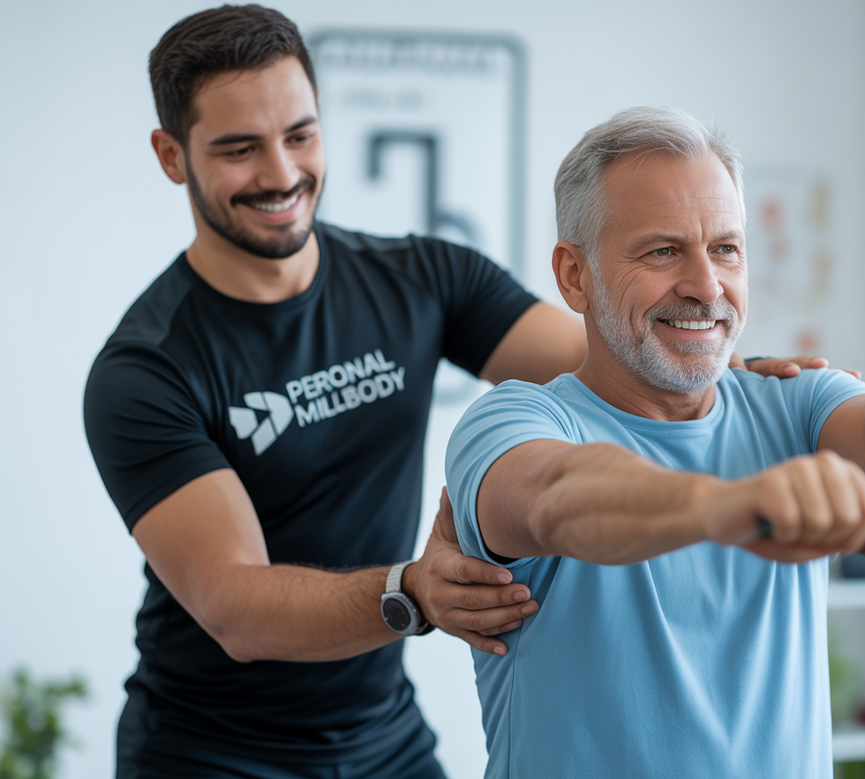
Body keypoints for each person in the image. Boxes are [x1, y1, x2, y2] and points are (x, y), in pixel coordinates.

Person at [82, 7, 818, 779]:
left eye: (299, 134)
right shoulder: (146, 370)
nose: (280, 172)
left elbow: (617, 358)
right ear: (172, 155)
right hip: (209, 753)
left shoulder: (423, 280)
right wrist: (413, 591)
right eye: (239, 149)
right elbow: (234, 605)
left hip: (384, 739)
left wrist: (730, 357)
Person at [446, 106, 865, 779]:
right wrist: (727, 506)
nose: (705, 285)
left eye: (724, 248)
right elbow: (559, 496)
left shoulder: (793, 401)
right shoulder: (512, 420)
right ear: (574, 275)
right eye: (662, 251)